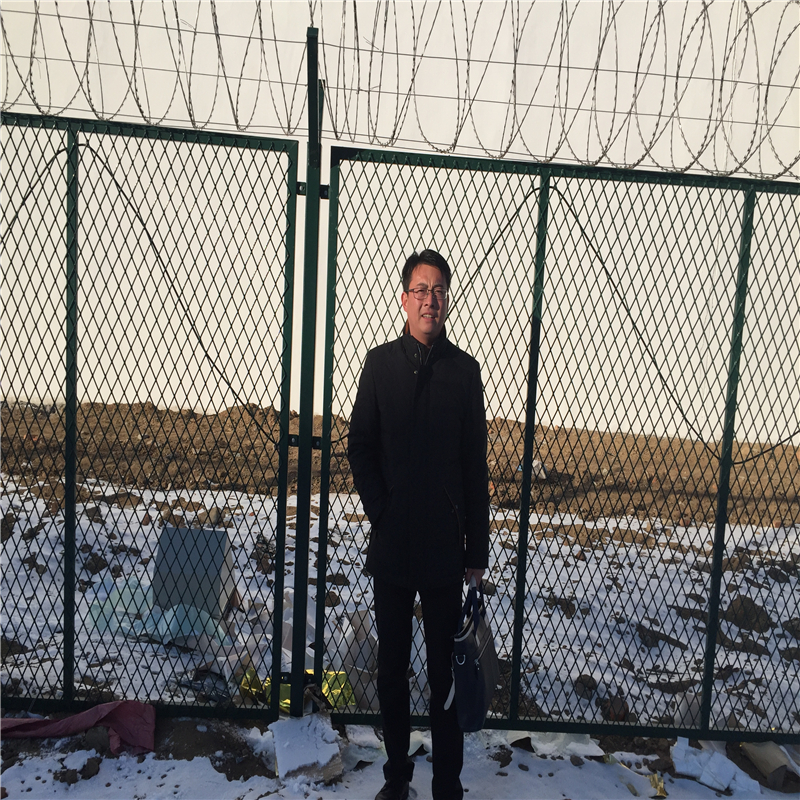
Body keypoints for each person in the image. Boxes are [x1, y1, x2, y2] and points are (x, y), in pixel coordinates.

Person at [348, 249, 490, 800]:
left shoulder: (464, 372)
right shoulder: (379, 365)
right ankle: (397, 776)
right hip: (393, 544)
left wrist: (475, 552)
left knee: (444, 673)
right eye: (421, 290)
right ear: (405, 299)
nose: (431, 299)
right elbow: (360, 446)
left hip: (443, 551)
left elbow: (474, 466)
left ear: (446, 300)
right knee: (391, 670)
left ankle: (447, 783)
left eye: (439, 290)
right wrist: (381, 509)